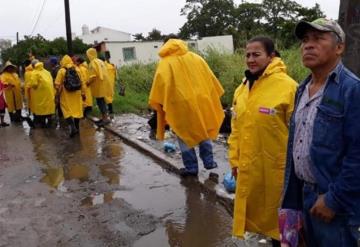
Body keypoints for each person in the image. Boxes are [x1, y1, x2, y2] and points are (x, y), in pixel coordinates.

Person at [281, 18, 360, 247]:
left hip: (333, 203)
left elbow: (358, 155)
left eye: (318, 38)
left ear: (339, 47)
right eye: (305, 40)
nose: (308, 45)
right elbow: (296, 146)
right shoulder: (302, 89)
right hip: (304, 197)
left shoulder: (352, 90)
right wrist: (292, 200)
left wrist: (334, 200)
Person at [227, 36, 297, 246]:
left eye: (256, 54)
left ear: (271, 56)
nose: (250, 59)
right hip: (250, 168)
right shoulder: (243, 87)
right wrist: (234, 160)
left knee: (284, 228)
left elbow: (300, 135)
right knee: (263, 222)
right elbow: (236, 128)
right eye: (247, 55)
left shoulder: (288, 87)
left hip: (280, 172)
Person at [149, 38, 224, 177]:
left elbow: (160, 86)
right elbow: (211, 79)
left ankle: (191, 168)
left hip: (180, 105)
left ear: (165, 46)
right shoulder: (197, 58)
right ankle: (209, 162)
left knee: (184, 135)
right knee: (203, 129)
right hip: (201, 101)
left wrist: (159, 105)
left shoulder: (165, 63)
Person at [55, 55, 85, 137]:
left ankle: (72, 126)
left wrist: (57, 95)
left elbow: (57, 85)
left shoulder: (61, 71)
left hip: (66, 95)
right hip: (77, 93)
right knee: (77, 111)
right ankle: (77, 128)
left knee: (66, 111)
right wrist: (83, 93)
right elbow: (82, 82)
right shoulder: (77, 69)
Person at [86, 48, 112, 125]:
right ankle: (104, 117)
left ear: (89, 54)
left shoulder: (92, 63)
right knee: (102, 101)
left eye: (87, 55)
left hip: (98, 86)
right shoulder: (100, 61)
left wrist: (88, 83)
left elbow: (93, 76)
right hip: (104, 84)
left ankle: (105, 119)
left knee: (100, 102)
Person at [28, 61, 55, 128]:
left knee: (41, 108)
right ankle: (50, 122)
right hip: (50, 94)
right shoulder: (47, 72)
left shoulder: (34, 73)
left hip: (40, 94)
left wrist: (29, 85)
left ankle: (43, 124)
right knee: (48, 108)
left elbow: (34, 84)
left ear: (33, 66)